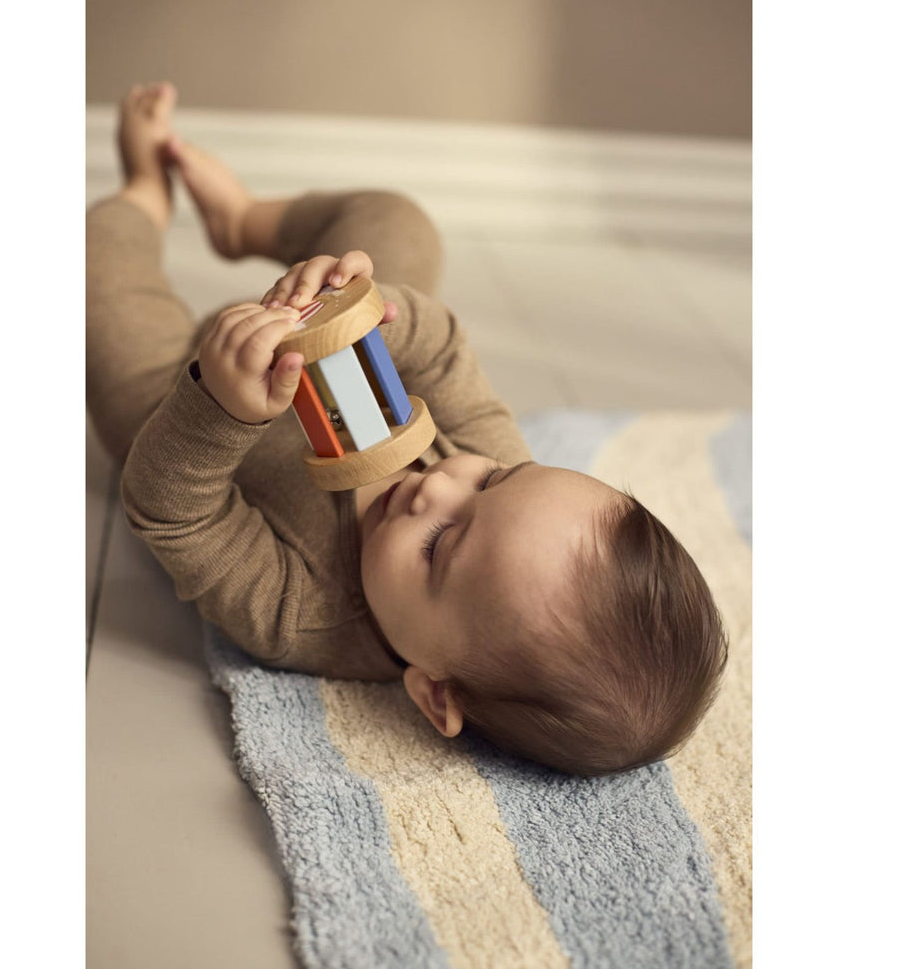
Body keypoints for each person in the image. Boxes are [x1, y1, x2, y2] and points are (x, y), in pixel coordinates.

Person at [87, 83, 727, 776]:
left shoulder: (303, 613)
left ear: (435, 692)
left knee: (93, 269)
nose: (439, 487)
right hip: (329, 338)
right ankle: (243, 220)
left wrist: (220, 406)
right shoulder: (489, 468)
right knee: (400, 224)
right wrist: (366, 313)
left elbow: (173, 512)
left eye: (440, 544)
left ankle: (143, 194)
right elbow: (443, 350)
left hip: (173, 398)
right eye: (494, 480)